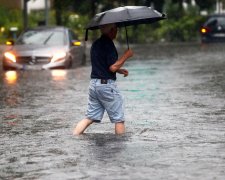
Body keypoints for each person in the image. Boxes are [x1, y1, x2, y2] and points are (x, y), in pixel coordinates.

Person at [73, 23, 133, 135]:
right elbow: (112, 67)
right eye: (115, 29)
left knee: (89, 117)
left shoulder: (96, 43)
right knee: (119, 119)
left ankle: (74, 136)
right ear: (111, 30)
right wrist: (126, 55)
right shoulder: (109, 44)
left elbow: (102, 65)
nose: (117, 31)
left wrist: (119, 70)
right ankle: (120, 148)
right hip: (106, 86)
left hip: (94, 86)